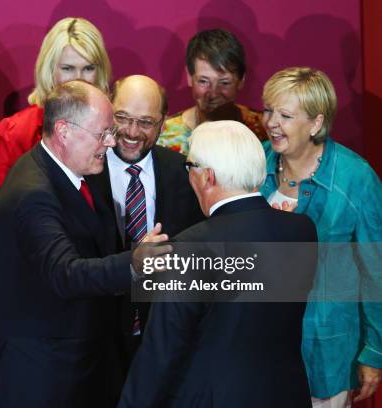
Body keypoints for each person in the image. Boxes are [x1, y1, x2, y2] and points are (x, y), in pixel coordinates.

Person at [0, 81, 167, 407]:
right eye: (102, 133)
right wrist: (135, 262)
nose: (111, 142)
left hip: (69, 363)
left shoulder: (58, 171)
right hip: (41, 375)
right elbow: (66, 274)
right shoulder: (34, 192)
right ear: (63, 131)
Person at [119, 120, 318, 407]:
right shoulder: (301, 230)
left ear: (207, 176)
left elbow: (160, 353)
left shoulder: (188, 249)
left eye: (190, 168)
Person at [259, 67, 382, 407]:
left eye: (284, 115)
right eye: (268, 110)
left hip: (325, 349)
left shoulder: (357, 178)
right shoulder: (255, 163)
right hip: (259, 346)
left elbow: (377, 272)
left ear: (316, 123)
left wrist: (375, 352)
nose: (271, 122)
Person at [88, 75, 204, 375]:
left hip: (163, 339)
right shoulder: (82, 172)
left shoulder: (183, 173)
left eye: (145, 122)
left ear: (163, 123)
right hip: (96, 341)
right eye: (123, 118)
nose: (131, 132)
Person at [0, 16, 111, 210]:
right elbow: (5, 210)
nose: (79, 79)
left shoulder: (112, 126)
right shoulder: (16, 132)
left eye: (88, 68)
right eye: (68, 69)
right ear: (50, 70)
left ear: (100, 72)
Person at [157, 29, 266, 155]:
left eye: (224, 83)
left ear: (241, 80)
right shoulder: (165, 136)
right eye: (203, 81)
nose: (213, 93)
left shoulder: (263, 130)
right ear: (189, 77)